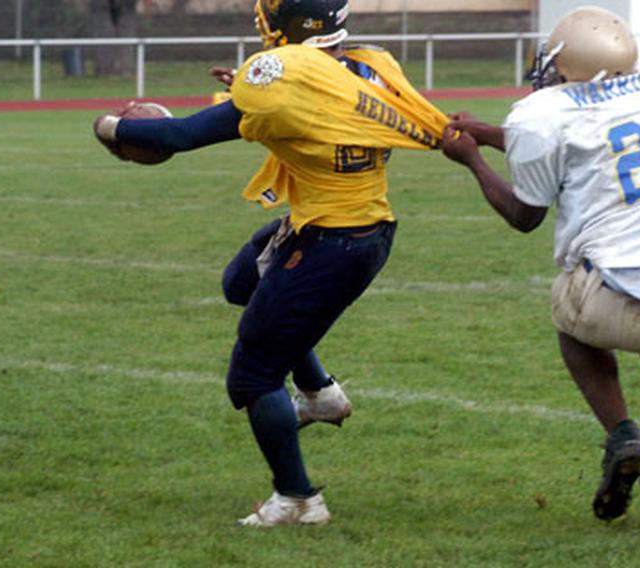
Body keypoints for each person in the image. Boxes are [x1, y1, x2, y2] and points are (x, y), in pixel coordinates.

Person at [94, 0, 448, 526]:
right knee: (242, 282)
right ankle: (320, 394)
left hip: (334, 243)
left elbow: (180, 135)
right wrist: (246, 84)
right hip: (354, 227)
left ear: (289, 23)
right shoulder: (370, 65)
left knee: (255, 374)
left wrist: (110, 128)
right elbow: (319, 100)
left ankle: (298, 500)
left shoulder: (288, 79)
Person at [441, 5, 640, 527]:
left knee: (572, 329)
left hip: (604, 295)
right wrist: (484, 131)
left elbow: (526, 214)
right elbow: (589, 139)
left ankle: (621, 434)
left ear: (569, 66)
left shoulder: (541, 114)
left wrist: (472, 160)